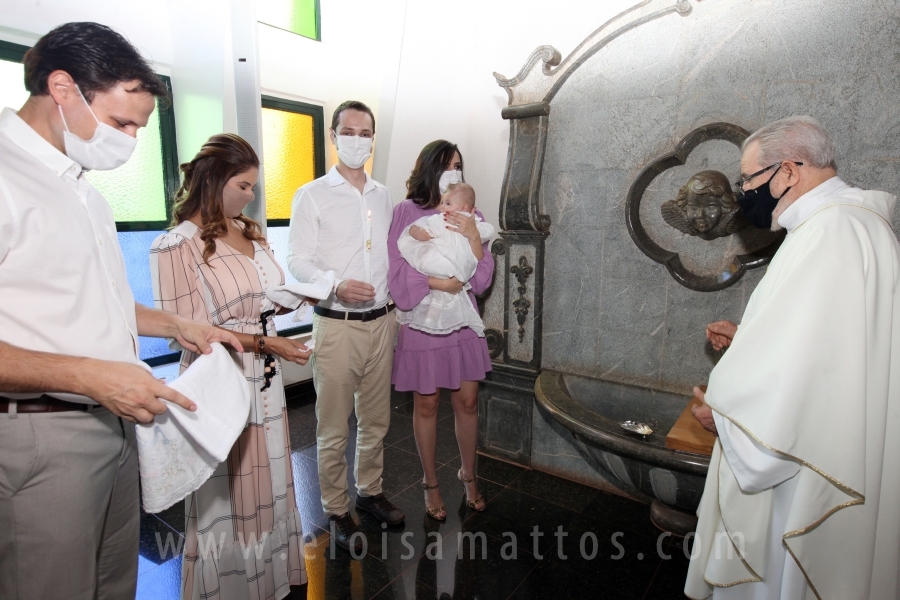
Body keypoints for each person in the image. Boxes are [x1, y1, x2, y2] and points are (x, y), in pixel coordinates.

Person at [0, 22, 240, 599]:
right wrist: (89, 377)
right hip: (41, 432)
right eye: (122, 123)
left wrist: (176, 325)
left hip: (113, 424)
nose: (130, 140)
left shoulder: (81, 188)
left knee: (113, 584)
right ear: (63, 88)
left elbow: (96, 301)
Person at [685, 116, 900, 599]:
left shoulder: (832, 232)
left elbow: (809, 367)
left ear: (787, 171)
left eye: (747, 179)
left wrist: (731, 416)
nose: (743, 193)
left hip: (803, 462)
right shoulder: (849, 225)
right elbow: (829, 349)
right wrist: (750, 338)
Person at [150, 134, 310, 599]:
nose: (251, 195)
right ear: (214, 180)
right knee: (233, 490)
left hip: (265, 374)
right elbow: (190, 331)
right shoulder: (175, 245)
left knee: (272, 479)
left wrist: (291, 301)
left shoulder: (250, 231)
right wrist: (266, 343)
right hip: (221, 377)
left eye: (254, 186)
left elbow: (262, 298)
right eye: (243, 185)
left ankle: (275, 580)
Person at [287, 100, 405, 553]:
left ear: (373, 139)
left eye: (365, 132)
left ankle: (370, 493)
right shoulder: (312, 193)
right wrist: (334, 285)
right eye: (349, 131)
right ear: (334, 136)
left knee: (376, 420)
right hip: (337, 325)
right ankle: (336, 509)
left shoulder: (383, 194)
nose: (358, 139)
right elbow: (298, 261)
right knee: (333, 426)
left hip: (382, 322)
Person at [388, 140, 494, 521]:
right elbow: (397, 269)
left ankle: (469, 475)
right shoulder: (407, 211)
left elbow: (481, 278)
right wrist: (437, 284)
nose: (454, 170)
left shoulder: (470, 212)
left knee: (467, 402)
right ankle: (430, 482)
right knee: (427, 403)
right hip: (422, 317)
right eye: (448, 164)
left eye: (459, 164)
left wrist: (473, 237)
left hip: (462, 318)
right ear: (430, 168)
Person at [397, 182, 494, 337]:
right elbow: (487, 230)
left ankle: (431, 318)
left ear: (463, 207)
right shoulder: (405, 209)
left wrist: (413, 231)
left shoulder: (442, 220)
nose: (442, 207)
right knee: (441, 297)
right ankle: (432, 318)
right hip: (460, 270)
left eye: (447, 203)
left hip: (446, 266)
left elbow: (425, 233)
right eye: (442, 203)